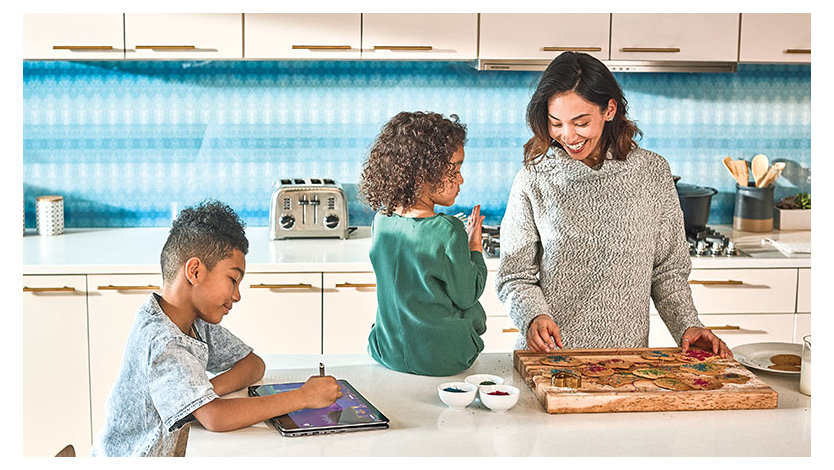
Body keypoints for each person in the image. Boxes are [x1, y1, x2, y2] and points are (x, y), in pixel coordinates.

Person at [496, 52, 732, 358]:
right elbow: (515, 274)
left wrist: (687, 324)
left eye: (581, 122)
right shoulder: (534, 177)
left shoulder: (652, 173)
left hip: (625, 362)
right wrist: (533, 316)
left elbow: (667, 271)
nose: (568, 136)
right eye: (556, 123)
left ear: (609, 109)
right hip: (550, 361)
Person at [91, 200, 341, 457]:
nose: (237, 295)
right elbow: (215, 417)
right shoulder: (164, 341)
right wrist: (302, 397)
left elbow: (253, 365)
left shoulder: (192, 321)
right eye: (233, 280)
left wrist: (202, 393)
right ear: (195, 271)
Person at [359, 111, 488, 376]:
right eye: (455, 169)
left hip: (386, 351)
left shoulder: (381, 220)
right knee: (473, 310)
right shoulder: (448, 230)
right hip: (444, 360)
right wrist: (474, 247)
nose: (461, 179)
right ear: (422, 175)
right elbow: (467, 294)